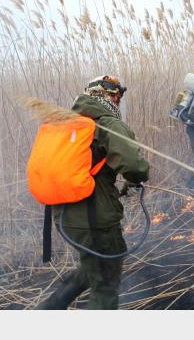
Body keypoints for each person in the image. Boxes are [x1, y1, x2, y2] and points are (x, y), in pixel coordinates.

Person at [36, 75, 150, 310]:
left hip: (64, 218)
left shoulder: (67, 121)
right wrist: (137, 177)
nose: (118, 102)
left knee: (93, 267)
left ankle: (47, 310)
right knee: (106, 284)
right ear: (111, 97)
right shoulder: (107, 122)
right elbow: (135, 167)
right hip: (94, 219)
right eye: (117, 97)